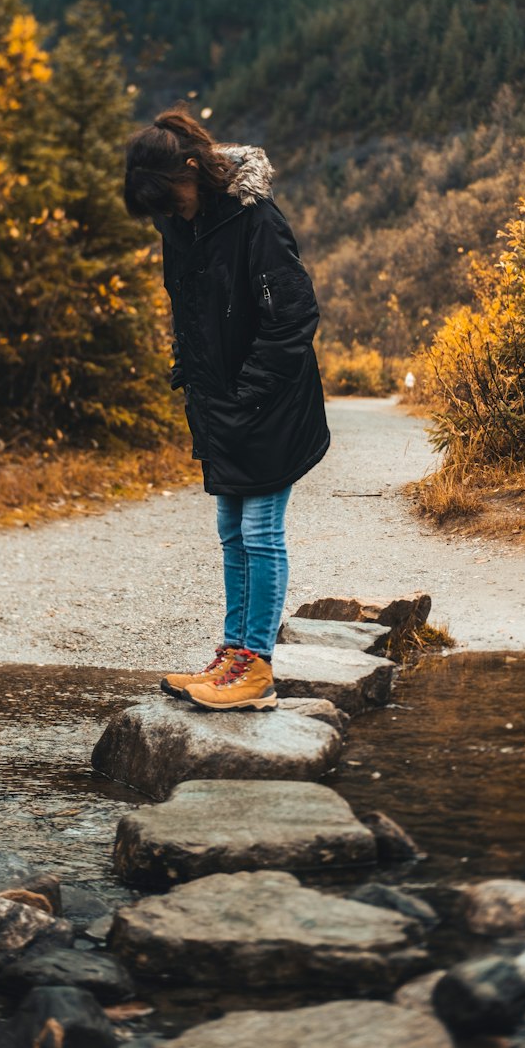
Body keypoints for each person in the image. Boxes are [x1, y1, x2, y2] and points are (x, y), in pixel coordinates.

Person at [123, 107, 330, 711]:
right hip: (220, 403)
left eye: (170, 198)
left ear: (193, 170)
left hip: (270, 401)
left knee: (262, 533)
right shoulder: (178, 226)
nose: (168, 211)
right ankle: (232, 655)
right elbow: (186, 307)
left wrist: (248, 393)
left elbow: (293, 317)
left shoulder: (255, 219)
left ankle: (255, 665)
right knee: (231, 532)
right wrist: (192, 373)